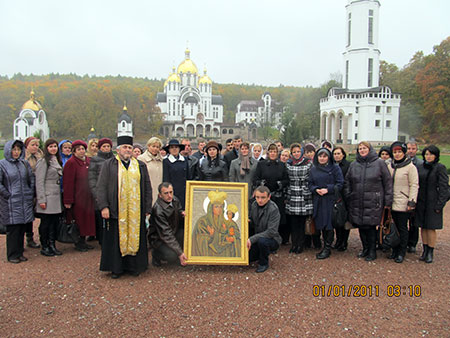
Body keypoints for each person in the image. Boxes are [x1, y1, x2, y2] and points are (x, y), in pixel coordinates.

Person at [97, 135, 152, 278]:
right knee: (116, 239)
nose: (128, 150)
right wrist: (104, 207)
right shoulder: (109, 165)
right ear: (118, 150)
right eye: (125, 148)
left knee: (136, 238)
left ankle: (134, 267)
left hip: (136, 211)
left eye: (130, 148)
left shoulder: (140, 165)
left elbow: (147, 186)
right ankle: (117, 268)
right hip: (116, 210)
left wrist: (147, 208)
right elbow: (101, 187)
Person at [344, 141, 393, 261]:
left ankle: (372, 250)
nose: (362, 150)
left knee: (370, 227)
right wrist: (348, 194)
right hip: (357, 200)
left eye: (364, 148)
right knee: (360, 226)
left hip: (373, 200)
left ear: (369, 149)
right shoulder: (354, 164)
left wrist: (388, 201)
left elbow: (387, 183)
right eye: (360, 148)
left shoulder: (380, 163)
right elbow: (347, 181)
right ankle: (365, 248)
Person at [0, 140, 35, 263]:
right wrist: (7, 194)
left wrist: (30, 192)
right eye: (14, 149)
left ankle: (19, 252)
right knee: (13, 229)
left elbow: (31, 179)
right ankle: (12, 254)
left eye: (18, 149)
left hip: (24, 200)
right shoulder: (2, 165)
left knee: (21, 228)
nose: (16, 152)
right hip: (10, 202)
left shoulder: (24, 163)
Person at [415, 145, 449, 263]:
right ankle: (424, 250)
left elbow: (444, 188)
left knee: (431, 227)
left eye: (431, 154)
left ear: (436, 155)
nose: (428, 156)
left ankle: (430, 251)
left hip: (433, 202)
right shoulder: (420, 167)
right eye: (426, 154)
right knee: (423, 227)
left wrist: (440, 204)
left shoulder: (440, 168)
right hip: (421, 201)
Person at [308, 148, 344, 259]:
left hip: (330, 199)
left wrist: (328, 189)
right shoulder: (313, 169)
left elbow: (340, 183)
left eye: (324, 156)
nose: (322, 158)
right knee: (321, 223)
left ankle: (327, 247)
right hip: (318, 199)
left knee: (329, 224)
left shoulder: (335, 168)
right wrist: (315, 189)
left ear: (328, 157)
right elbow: (309, 184)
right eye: (320, 156)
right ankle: (324, 244)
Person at [386, 141, 419, 263]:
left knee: (402, 228)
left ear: (404, 153)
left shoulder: (410, 167)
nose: (397, 154)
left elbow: (414, 185)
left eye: (399, 152)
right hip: (391, 201)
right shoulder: (390, 166)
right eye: (395, 152)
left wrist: (412, 201)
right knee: (392, 227)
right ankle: (394, 250)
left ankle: (401, 252)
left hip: (403, 202)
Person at [63, 140, 96, 252]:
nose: (81, 151)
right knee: (78, 220)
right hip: (77, 197)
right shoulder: (71, 163)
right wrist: (68, 200)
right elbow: (67, 183)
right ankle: (78, 241)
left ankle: (84, 240)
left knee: (87, 219)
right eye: (79, 149)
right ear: (74, 151)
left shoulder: (88, 161)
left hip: (88, 196)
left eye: (83, 149)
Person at [253, 143, 289, 244]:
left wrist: (281, 184)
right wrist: (261, 184)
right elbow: (255, 179)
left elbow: (287, 180)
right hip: (264, 197)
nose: (272, 153)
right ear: (268, 152)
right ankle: (264, 238)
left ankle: (276, 240)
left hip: (277, 195)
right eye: (271, 151)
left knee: (277, 219)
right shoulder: (261, 164)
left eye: (275, 152)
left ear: (277, 153)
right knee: (264, 218)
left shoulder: (282, 165)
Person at [35, 139, 64, 256]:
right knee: (46, 223)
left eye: (55, 146)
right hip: (47, 196)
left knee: (54, 222)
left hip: (56, 196)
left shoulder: (56, 160)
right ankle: (45, 245)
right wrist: (41, 199)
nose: (53, 148)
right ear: (46, 148)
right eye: (51, 146)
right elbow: (39, 181)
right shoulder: (43, 162)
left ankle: (52, 244)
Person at [148, 182, 187, 267]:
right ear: (160, 195)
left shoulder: (175, 200)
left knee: (185, 235)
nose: (169, 195)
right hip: (159, 239)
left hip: (172, 231)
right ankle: (156, 254)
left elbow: (178, 211)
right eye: (166, 193)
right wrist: (180, 253)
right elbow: (166, 234)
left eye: (171, 192)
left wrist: (181, 213)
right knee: (172, 256)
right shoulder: (158, 209)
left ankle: (176, 253)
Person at [286, 143, 313, 254]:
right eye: (294, 152)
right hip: (292, 194)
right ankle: (294, 243)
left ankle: (300, 244)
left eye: (298, 151)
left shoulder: (308, 163)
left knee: (302, 222)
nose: (296, 154)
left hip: (303, 194)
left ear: (301, 152)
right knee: (293, 222)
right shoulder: (288, 163)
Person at [247, 186, 282, 273]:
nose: (260, 200)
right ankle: (258, 255)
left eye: (263, 197)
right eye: (257, 197)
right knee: (248, 259)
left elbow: (271, 232)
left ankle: (263, 263)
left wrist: (251, 239)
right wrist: (248, 221)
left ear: (269, 197)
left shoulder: (274, 209)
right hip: (257, 236)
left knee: (262, 242)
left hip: (272, 239)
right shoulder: (254, 204)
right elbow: (252, 220)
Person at [88, 137, 114, 244]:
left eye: (108, 146)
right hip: (100, 191)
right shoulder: (95, 160)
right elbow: (92, 178)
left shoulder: (114, 159)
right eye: (104, 146)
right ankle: (102, 239)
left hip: (112, 192)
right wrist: (96, 193)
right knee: (101, 217)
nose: (106, 148)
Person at [191, 189, 229, 257]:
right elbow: (199, 240)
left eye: (221, 207)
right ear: (211, 208)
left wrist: (225, 232)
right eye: (216, 207)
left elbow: (225, 237)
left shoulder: (223, 222)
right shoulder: (203, 221)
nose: (219, 209)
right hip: (208, 249)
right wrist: (211, 236)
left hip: (220, 248)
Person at [24, 136, 42, 248]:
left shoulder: (41, 156)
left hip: (39, 187)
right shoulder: (24, 158)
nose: (35, 147)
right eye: (32, 145)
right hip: (28, 188)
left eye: (36, 145)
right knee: (28, 215)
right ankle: (29, 237)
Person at [332, 146, 351, 251]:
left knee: (345, 220)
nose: (337, 156)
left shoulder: (348, 165)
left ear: (343, 154)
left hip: (345, 195)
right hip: (336, 195)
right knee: (336, 218)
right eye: (335, 154)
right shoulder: (332, 166)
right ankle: (338, 240)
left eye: (338, 153)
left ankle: (344, 241)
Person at [406, 140, 423, 253]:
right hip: (402, 194)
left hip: (415, 196)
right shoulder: (400, 161)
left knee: (413, 222)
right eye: (409, 149)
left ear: (416, 150)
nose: (411, 151)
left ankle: (412, 243)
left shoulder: (421, 164)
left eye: (413, 149)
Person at [163, 139, 189, 209]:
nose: (174, 149)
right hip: (173, 192)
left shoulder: (185, 160)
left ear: (179, 149)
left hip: (184, 192)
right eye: (172, 147)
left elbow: (188, 176)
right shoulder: (166, 161)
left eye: (176, 147)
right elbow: (166, 178)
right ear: (169, 150)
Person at [138, 137, 164, 206]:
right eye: (153, 146)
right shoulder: (141, 159)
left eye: (157, 147)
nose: (155, 149)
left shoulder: (162, 160)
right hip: (147, 191)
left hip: (159, 191)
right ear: (148, 146)